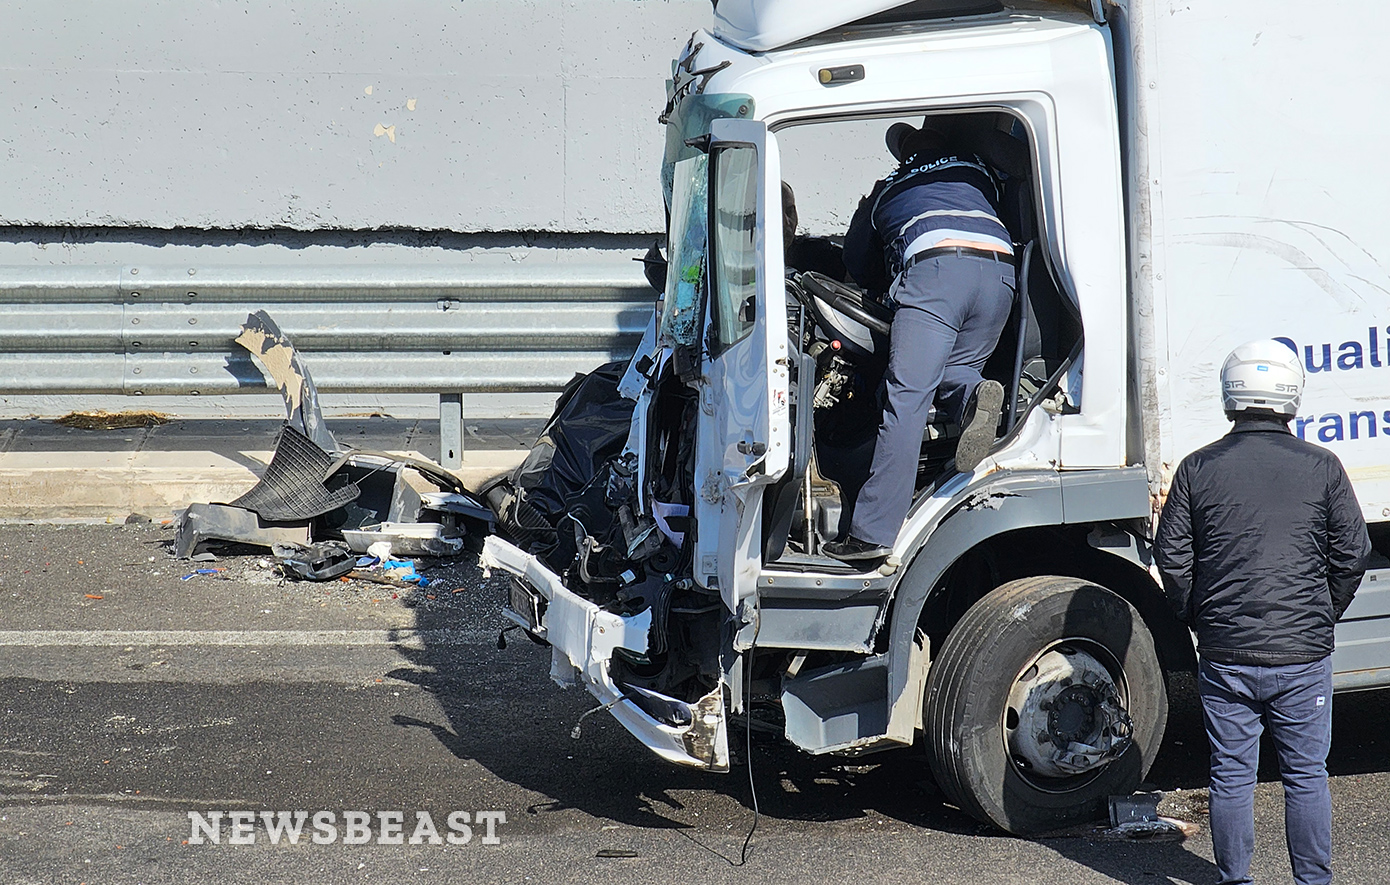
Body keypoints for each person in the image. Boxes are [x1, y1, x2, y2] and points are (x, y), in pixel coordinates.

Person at [1155, 339, 1371, 885]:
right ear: (1291, 395)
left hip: (1226, 651)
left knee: (1231, 776)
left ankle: (1235, 879)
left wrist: (1200, 616)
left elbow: (1172, 558)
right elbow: (1353, 553)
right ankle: (1313, 881)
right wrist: (1321, 614)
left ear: (1230, 394)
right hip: (1302, 654)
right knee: (1306, 776)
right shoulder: (1322, 466)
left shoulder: (1197, 468)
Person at [823, 119, 1015, 563]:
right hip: (1000, 274)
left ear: (904, 155)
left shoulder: (888, 188)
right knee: (956, 369)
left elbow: (859, 263)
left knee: (907, 396)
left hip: (935, 273)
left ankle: (871, 534)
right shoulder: (975, 169)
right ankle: (973, 394)